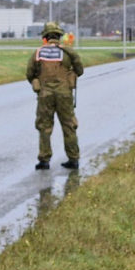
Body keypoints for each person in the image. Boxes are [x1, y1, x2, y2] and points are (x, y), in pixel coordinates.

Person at [26, 22, 84, 170]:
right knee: (69, 126)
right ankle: (73, 159)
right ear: (59, 36)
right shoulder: (68, 52)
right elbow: (80, 69)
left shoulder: (38, 53)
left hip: (45, 95)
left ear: (45, 37)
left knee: (44, 127)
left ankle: (44, 160)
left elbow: (29, 73)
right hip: (64, 94)